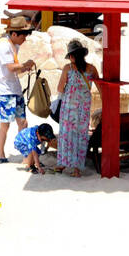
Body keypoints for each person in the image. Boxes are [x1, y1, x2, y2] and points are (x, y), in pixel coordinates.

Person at [0, 16, 37, 162]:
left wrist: (25, 67)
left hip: (14, 89)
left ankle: (25, 155)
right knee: (5, 125)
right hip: (4, 91)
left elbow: (15, 70)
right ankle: (1, 154)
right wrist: (26, 64)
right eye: (24, 35)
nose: (25, 38)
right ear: (14, 34)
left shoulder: (14, 46)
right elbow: (11, 67)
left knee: (23, 123)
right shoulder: (4, 46)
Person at [56, 40, 98, 176]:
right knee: (81, 135)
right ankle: (77, 169)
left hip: (69, 108)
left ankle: (63, 163)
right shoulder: (92, 69)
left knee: (66, 135)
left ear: (72, 56)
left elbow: (59, 88)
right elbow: (100, 87)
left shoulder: (68, 68)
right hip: (83, 109)